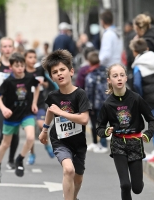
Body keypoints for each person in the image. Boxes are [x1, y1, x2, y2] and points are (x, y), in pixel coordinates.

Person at [96, 63, 154, 200]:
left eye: (121, 75)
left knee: (137, 188)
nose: (119, 78)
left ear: (126, 78)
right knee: (125, 185)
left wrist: (148, 133)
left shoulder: (135, 98)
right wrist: (106, 131)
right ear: (109, 80)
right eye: (115, 76)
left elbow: (152, 119)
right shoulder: (108, 104)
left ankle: (137, 183)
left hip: (135, 142)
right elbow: (99, 127)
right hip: (118, 144)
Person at [39, 49, 91, 200]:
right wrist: (44, 130)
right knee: (68, 170)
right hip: (60, 141)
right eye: (55, 72)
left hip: (79, 142)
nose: (59, 74)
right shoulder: (52, 96)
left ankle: (73, 197)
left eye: (62, 69)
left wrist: (61, 113)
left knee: (78, 178)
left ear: (71, 71)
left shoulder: (80, 94)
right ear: (52, 77)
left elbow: (84, 119)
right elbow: (50, 111)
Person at [0, 53, 40, 183]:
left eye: (22, 65)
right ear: (11, 67)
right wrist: (3, 109)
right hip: (11, 115)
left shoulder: (30, 78)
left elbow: (37, 87)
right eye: (17, 66)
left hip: (26, 113)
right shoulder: (8, 82)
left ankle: (20, 159)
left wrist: (34, 103)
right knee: (5, 143)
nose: (20, 68)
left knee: (30, 137)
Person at [0, 37, 20, 170]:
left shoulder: (18, 63)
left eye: (9, 46)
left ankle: (11, 160)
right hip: (0, 101)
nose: (7, 49)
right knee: (5, 130)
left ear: (13, 48)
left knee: (15, 132)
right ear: (0, 48)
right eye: (4, 46)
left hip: (16, 102)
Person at [24, 49, 54, 165]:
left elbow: (48, 84)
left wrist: (42, 83)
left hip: (40, 102)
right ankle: (32, 154)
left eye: (34, 57)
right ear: (25, 59)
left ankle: (47, 145)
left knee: (42, 125)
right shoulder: (22, 72)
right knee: (30, 133)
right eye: (30, 57)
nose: (32, 60)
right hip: (26, 105)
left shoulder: (39, 70)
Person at [84, 51, 108, 153]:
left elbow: (88, 93)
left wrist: (88, 106)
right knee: (103, 123)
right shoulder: (105, 72)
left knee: (95, 124)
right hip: (105, 102)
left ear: (89, 62)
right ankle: (102, 143)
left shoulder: (90, 76)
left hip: (94, 104)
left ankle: (101, 144)